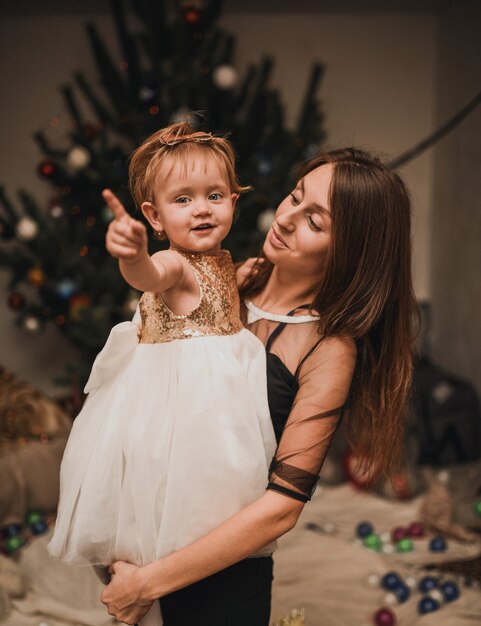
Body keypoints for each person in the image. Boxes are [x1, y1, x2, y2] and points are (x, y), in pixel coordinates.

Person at [99, 147, 418, 626]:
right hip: (140, 544)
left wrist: (151, 581)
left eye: (315, 221)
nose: (286, 218)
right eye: (294, 197)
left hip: (220, 577)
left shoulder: (328, 350)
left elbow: (280, 508)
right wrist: (121, 549)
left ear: (351, 249)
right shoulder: (224, 278)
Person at [47, 121, 278, 625]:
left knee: (221, 503)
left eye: (215, 195)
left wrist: (235, 281)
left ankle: (199, 569)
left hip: (212, 407)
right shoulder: (171, 262)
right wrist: (132, 255)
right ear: (153, 215)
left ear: (234, 202)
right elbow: (153, 276)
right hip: (189, 415)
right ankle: (178, 573)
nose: (202, 208)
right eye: (183, 199)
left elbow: (207, 299)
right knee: (188, 505)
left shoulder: (214, 260)